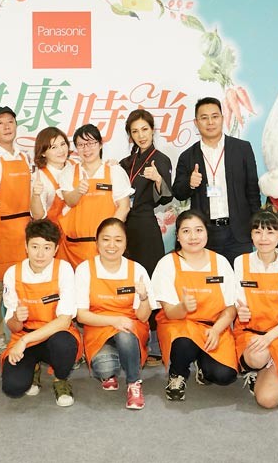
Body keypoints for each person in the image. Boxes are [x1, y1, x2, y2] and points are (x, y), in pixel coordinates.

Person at [153, 209, 238, 402]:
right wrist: (183, 307)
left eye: (198, 230)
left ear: (207, 233)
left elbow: (230, 308)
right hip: (180, 325)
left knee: (224, 375)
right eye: (186, 231)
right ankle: (177, 374)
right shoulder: (167, 263)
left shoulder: (221, 262)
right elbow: (170, 312)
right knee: (184, 343)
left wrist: (216, 330)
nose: (193, 237)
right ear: (177, 236)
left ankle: (202, 364)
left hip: (212, 327)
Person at [1, 219, 81, 407]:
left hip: (54, 335)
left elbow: (64, 321)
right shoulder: (13, 273)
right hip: (25, 335)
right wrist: (16, 319)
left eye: (47, 248)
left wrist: (24, 341)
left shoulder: (63, 269)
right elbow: (12, 325)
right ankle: (33, 368)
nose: (40, 254)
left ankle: (60, 379)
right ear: (26, 246)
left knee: (64, 344)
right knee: (13, 388)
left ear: (56, 249)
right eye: (35, 246)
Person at [172, 97, 261, 265]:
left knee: (240, 277)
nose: (210, 122)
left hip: (238, 232)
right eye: (204, 118)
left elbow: (252, 192)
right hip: (205, 234)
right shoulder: (187, 156)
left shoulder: (242, 149)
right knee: (210, 278)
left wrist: (255, 227)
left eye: (215, 116)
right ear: (196, 122)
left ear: (222, 118)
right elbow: (178, 192)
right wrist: (190, 183)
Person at [75, 218, 153, 410]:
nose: (112, 245)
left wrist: (143, 297)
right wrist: (114, 320)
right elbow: (81, 316)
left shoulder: (137, 269)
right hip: (98, 327)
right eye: (106, 239)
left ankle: (134, 382)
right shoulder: (85, 269)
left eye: (118, 240)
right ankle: (124, 357)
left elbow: (143, 317)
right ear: (97, 242)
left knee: (125, 336)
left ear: (125, 243)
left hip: (130, 327)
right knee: (104, 368)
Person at [119, 109, 173, 366]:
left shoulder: (159, 159)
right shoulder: (125, 162)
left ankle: (153, 344)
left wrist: (158, 179)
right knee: (126, 280)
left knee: (149, 280)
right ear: (130, 135)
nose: (141, 135)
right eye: (135, 131)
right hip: (123, 225)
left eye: (145, 129)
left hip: (145, 224)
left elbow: (166, 196)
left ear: (153, 130)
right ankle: (130, 337)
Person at [233, 209, 278, 409]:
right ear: (251, 235)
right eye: (258, 232)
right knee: (257, 356)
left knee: (267, 400)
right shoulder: (241, 262)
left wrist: (268, 338)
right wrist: (239, 310)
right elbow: (237, 299)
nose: (263, 238)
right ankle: (261, 366)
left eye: (270, 232)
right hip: (249, 333)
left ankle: (276, 366)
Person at [0, 105, 32, 356]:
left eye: (10, 121)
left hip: (25, 229)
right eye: (0, 123)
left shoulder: (24, 156)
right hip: (1, 229)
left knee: (23, 284)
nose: (6, 127)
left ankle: (25, 333)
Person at [59, 124, 133, 268]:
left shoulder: (114, 171)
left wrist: (107, 236)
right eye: (81, 145)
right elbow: (69, 201)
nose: (86, 149)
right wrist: (78, 191)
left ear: (100, 144)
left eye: (91, 143)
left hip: (105, 248)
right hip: (73, 248)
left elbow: (124, 207)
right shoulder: (69, 172)